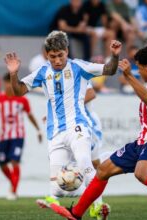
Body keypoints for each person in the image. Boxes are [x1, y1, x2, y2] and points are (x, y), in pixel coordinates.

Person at [50, 46, 147, 220]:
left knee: (142, 174)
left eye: (140, 68)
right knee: (103, 170)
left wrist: (128, 76)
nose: (139, 72)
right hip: (143, 141)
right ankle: (76, 214)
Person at [5, 30, 122, 219]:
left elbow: (109, 69)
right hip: (55, 133)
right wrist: (13, 73)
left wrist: (115, 56)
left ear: (67, 51)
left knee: (85, 163)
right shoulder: (43, 72)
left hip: (78, 127)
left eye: (61, 55)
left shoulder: (79, 67)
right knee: (58, 187)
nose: (57, 60)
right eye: (53, 57)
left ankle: (98, 208)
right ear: (47, 55)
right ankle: (67, 201)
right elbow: (18, 91)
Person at [36, 83, 106, 219]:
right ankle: (55, 196)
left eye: (59, 59)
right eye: (53, 59)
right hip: (69, 127)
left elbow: (91, 93)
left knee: (89, 164)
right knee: (62, 161)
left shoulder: (77, 72)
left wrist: (68, 109)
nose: (57, 60)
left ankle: (96, 205)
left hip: (86, 125)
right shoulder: (56, 79)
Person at [0, 73, 42, 200]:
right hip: (3, 136)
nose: (10, 85)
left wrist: (38, 130)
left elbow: (30, 116)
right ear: (4, 83)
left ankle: (13, 191)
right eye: (8, 83)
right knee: (2, 164)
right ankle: (13, 183)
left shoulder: (22, 99)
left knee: (14, 161)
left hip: (18, 136)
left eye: (12, 83)